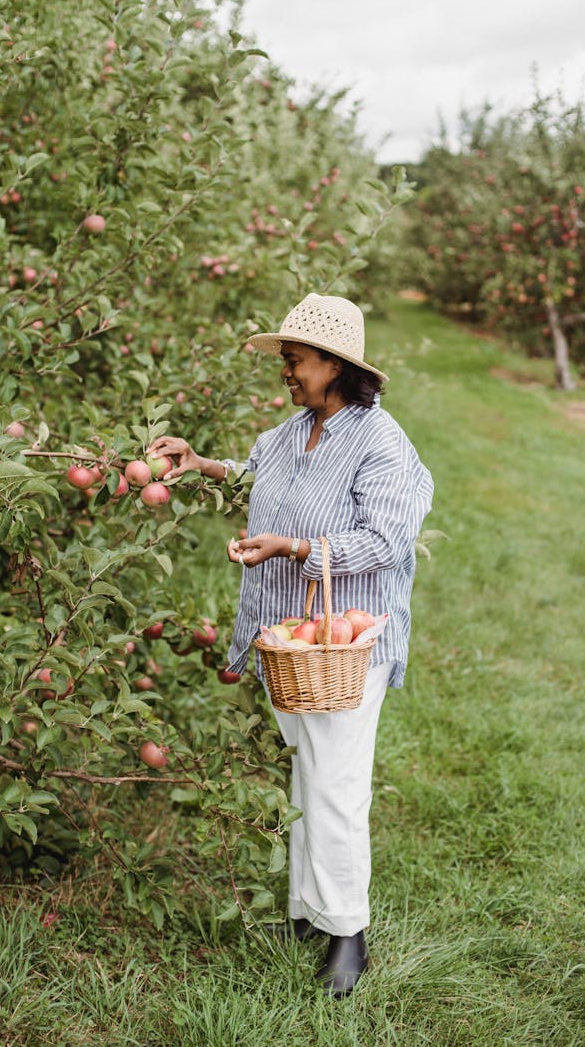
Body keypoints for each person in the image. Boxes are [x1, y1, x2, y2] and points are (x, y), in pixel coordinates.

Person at [148, 292, 433, 998]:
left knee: (335, 782)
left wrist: (299, 546)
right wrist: (198, 462)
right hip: (290, 640)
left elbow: (386, 540)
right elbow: (254, 475)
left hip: (347, 641)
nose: (287, 370)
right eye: (286, 359)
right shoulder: (291, 431)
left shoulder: (381, 442)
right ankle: (309, 913)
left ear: (335, 365)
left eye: (296, 359)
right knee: (309, 774)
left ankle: (349, 932)